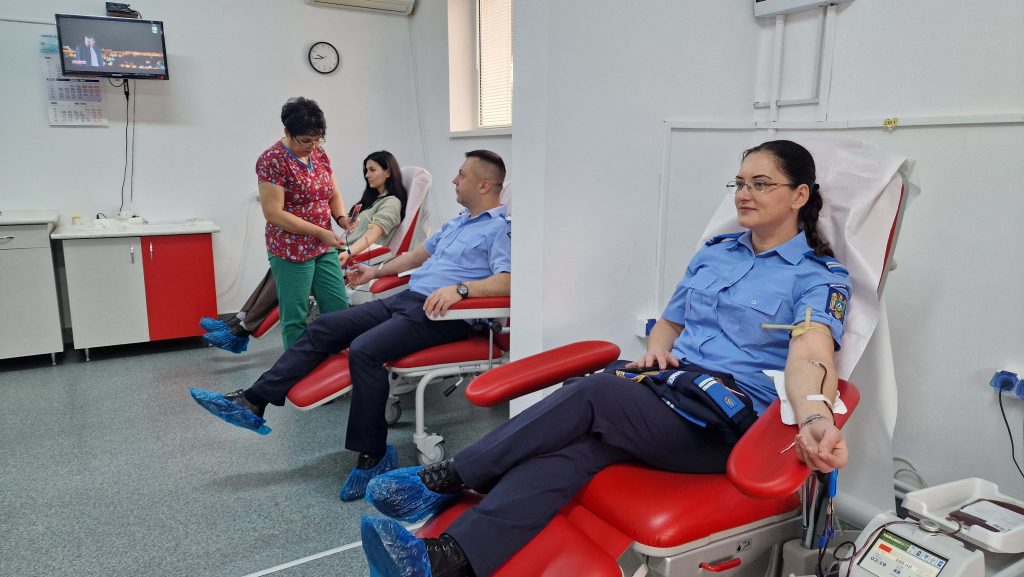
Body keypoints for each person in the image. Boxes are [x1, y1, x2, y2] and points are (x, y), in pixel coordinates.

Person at [359, 140, 853, 577]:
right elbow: (670, 322)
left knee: (593, 392)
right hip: (670, 392)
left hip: (723, 423)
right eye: (740, 183)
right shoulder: (716, 252)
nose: (744, 194)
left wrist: (815, 418)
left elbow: (811, 355)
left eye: (761, 184)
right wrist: (658, 347)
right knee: (573, 454)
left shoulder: (818, 276)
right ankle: (446, 559)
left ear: (799, 195)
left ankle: (449, 477)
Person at [189, 150, 511, 502]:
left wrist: (461, 289)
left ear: (484, 185)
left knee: (364, 351)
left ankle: (374, 454)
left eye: (462, 175)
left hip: (444, 315)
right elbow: (415, 257)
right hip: (408, 299)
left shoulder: (501, 229)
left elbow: (510, 280)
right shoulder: (457, 223)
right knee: (326, 325)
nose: (454, 180)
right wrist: (374, 272)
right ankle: (253, 401)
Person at [201, 150, 409, 353]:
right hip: (337, 247)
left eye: (372, 170)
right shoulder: (371, 201)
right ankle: (239, 322)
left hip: (351, 254)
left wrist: (349, 252)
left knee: (287, 282)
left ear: (388, 172)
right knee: (279, 269)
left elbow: (372, 235)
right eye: (366, 170)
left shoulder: (391, 202)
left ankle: (241, 326)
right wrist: (343, 221)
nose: (367, 175)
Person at [249, 97, 353, 351]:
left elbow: (332, 193)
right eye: (305, 140)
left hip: (323, 245)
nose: (312, 146)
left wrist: (342, 218)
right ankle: (297, 368)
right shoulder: (272, 160)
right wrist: (319, 231)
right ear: (287, 132)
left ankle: (337, 363)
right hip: (291, 249)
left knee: (338, 307)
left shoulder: (319, 154)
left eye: (317, 139)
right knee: (295, 315)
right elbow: (274, 213)